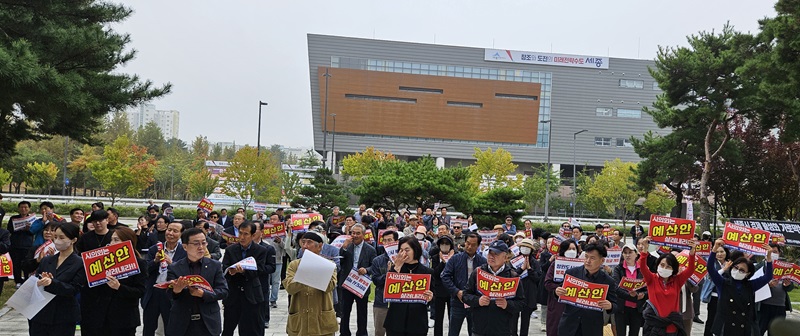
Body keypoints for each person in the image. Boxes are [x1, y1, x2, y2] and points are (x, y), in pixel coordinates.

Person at [80, 227, 147, 336]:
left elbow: (140, 291)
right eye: (111, 240)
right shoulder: (101, 261)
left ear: (128, 242)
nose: (112, 243)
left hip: (124, 318)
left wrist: (119, 287)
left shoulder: (139, 263)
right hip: (99, 317)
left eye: (116, 240)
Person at [166, 227, 229, 336]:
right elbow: (169, 294)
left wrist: (203, 294)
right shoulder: (175, 267)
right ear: (185, 247)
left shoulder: (215, 265)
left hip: (208, 323)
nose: (201, 247)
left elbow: (223, 291)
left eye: (204, 243)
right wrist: (176, 290)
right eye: (196, 244)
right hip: (182, 323)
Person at [707, 238, 773, 336]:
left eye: (742, 270)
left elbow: (767, 277)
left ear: (748, 274)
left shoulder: (751, 285)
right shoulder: (723, 283)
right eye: (736, 268)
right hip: (725, 327)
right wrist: (715, 248)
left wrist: (768, 257)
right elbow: (710, 269)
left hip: (744, 327)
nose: (737, 271)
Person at [29, 223, 85, 336]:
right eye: (55, 237)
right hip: (40, 313)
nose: (57, 241)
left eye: (61, 237)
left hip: (63, 316)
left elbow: (74, 289)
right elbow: (36, 279)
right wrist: (40, 281)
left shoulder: (80, 262)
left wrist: (52, 282)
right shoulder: (47, 260)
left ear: (73, 240)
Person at [553, 243, 618, 336]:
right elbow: (558, 293)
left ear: (602, 260)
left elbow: (615, 306)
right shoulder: (571, 273)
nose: (588, 261)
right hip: (569, 325)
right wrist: (557, 292)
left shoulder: (608, 281)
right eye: (586, 257)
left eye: (592, 258)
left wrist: (610, 306)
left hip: (591, 328)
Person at [463, 240, 526, 336]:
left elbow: (521, 303)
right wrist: (478, 301)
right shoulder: (478, 272)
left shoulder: (512, 276)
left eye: (496, 254)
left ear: (505, 257)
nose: (491, 256)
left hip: (503, 329)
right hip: (480, 329)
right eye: (490, 253)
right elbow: (465, 295)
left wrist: (507, 305)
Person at [283, 231, 339, 335]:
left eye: (309, 243)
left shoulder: (329, 265)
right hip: (300, 320)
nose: (305, 246)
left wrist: (315, 269)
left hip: (322, 321)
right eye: (303, 242)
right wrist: (306, 274)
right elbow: (290, 288)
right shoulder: (294, 265)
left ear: (320, 246)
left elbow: (330, 286)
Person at [639, 237, 697, 336]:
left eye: (668, 266)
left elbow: (690, 270)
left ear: (673, 269)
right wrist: (645, 249)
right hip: (654, 327)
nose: (664, 268)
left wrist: (692, 251)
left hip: (671, 327)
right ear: (657, 265)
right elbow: (643, 267)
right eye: (662, 265)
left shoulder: (677, 281)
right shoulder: (651, 279)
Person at [221, 221, 269, 336]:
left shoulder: (261, 250)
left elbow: (260, 270)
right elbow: (224, 268)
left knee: (250, 329)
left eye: (246, 234)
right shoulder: (230, 250)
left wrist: (244, 271)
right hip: (233, 294)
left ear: (253, 235)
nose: (242, 237)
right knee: (228, 329)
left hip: (251, 294)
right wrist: (231, 272)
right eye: (240, 233)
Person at [383, 236, 436, 336]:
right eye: (401, 250)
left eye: (407, 250)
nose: (404, 253)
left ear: (415, 250)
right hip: (395, 322)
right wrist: (396, 268)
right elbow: (385, 288)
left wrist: (430, 297)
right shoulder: (395, 268)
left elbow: (434, 297)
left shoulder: (427, 272)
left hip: (417, 323)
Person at [143, 222, 186, 336]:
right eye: (169, 230)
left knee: (170, 325)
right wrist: (155, 261)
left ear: (181, 234)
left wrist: (171, 263)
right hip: (154, 290)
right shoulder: (155, 249)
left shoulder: (184, 251)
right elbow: (145, 270)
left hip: (171, 291)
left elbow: (185, 272)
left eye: (175, 231)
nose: (170, 233)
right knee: (149, 326)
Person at [441, 232, 486, 336]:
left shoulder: (483, 261)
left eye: (473, 245)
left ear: (478, 246)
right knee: (453, 331)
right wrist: (456, 291)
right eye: (467, 243)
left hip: (475, 302)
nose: (469, 247)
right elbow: (445, 276)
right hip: (458, 301)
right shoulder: (456, 258)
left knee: (475, 331)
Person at [339, 224, 377, 336]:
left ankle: (362, 333)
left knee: (362, 312)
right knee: (345, 312)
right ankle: (344, 332)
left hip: (361, 284)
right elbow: (340, 261)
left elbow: (374, 266)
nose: (354, 235)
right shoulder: (347, 246)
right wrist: (344, 248)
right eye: (352, 233)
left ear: (363, 235)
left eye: (357, 233)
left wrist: (366, 270)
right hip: (347, 282)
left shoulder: (370, 249)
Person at [544, 240, 582, 336]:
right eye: (569, 249)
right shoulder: (555, 264)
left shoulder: (582, 266)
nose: (572, 251)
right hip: (557, 304)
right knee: (555, 329)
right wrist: (557, 289)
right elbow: (547, 283)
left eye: (574, 249)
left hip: (575, 304)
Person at [757, 244, 793, 336]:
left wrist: (787, 285)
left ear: (779, 253)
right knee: (758, 331)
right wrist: (767, 286)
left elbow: (790, 286)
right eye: (769, 251)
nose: (772, 254)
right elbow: (753, 284)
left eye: (775, 252)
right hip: (764, 306)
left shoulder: (785, 267)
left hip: (780, 307)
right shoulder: (759, 266)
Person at [611, 243, 646, 336]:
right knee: (620, 333)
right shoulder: (618, 269)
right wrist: (631, 296)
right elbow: (616, 287)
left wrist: (642, 295)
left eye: (630, 252)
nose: (627, 255)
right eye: (625, 253)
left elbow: (648, 287)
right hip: (622, 308)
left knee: (634, 333)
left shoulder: (643, 269)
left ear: (636, 254)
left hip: (637, 309)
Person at [370, 230, 399, 336]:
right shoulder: (377, 260)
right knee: (379, 331)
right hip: (381, 302)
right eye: (385, 241)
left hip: (398, 302)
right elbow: (376, 281)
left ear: (396, 242)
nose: (387, 243)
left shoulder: (404, 259)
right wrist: (388, 273)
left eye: (390, 240)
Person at [252, 220, 278, 329]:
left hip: (261, 281)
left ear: (262, 231)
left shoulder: (268, 248)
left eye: (255, 229)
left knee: (263, 301)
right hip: (246, 283)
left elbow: (272, 267)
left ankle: (265, 319)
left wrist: (257, 268)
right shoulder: (243, 248)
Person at [515, 238, 542, 336]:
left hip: (529, 294)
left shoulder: (534, 262)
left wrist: (529, 269)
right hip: (515, 294)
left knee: (525, 320)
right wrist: (521, 269)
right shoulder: (515, 260)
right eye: (523, 247)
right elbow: (510, 276)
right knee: (513, 319)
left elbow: (538, 278)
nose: (525, 249)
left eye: (527, 247)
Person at [431, 235, 455, 336]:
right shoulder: (435, 257)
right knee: (438, 318)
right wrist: (443, 262)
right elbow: (435, 273)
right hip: (439, 291)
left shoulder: (456, 256)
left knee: (453, 318)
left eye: (447, 243)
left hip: (451, 291)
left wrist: (449, 260)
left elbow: (455, 273)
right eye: (442, 243)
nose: (444, 246)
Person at [7, 201, 35, 287]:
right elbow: (9, 230)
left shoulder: (32, 219)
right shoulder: (13, 218)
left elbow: (34, 231)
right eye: (21, 207)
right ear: (19, 208)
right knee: (16, 264)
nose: (23, 209)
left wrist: (28, 229)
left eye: (26, 207)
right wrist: (19, 228)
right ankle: (18, 281)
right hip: (15, 244)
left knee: (27, 263)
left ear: (29, 209)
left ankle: (27, 280)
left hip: (27, 245)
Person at [266, 213, 287, 308]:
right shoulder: (265, 230)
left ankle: (273, 299)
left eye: (274, 219)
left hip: (278, 259)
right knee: (266, 280)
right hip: (266, 259)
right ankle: (265, 298)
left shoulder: (283, 232)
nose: (272, 221)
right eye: (271, 219)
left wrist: (280, 241)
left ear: (279, 221)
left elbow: (286, 247)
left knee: (275, 281)